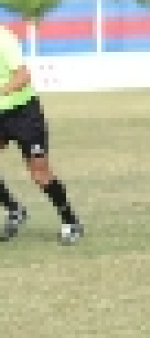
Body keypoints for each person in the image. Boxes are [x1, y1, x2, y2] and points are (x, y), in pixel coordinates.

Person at [0, 24, 83, 244]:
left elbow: (23, 76)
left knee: (40, 173)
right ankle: (14, 210)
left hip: (24, 114)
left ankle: (71, 222)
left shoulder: (4, 39)